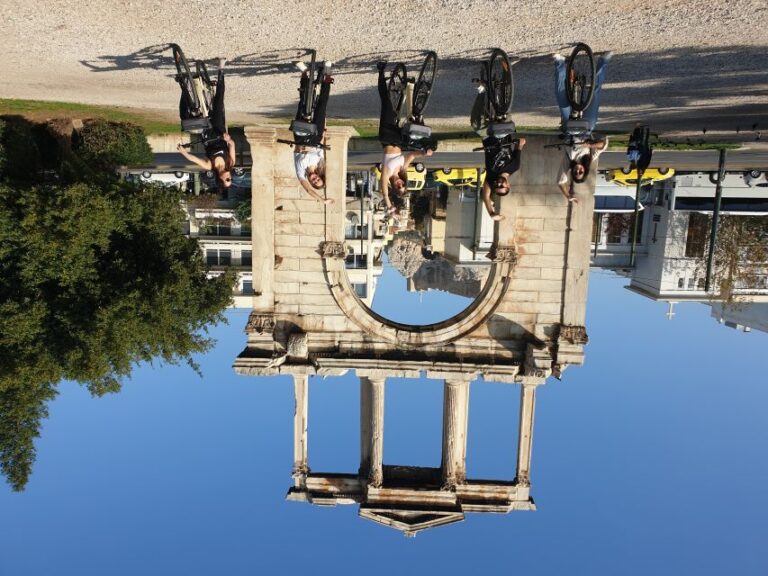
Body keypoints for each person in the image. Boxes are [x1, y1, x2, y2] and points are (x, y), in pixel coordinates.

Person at [552, 50, 612, 203]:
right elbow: (603, 144)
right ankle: (602, 62)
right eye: (581, 172)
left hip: (569, 127)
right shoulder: (590, 157)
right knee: (595, 95)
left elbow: (560, 182)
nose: (578, 170)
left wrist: (568, 196)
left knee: (562, 100)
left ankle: (560, 64)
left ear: (572, 171)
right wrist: (590, 144)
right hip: (586, 128)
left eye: (576, 172)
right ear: (584, 171)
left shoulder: (568, 163)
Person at [376, 61, 434, 213]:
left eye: (398, 187)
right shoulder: (402, 169)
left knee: (387, 104)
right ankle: (410, 88)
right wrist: (424, 153)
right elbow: (412, 156)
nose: (400, 184)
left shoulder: (387, 174)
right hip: (399, 140)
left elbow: (383, 187)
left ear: (394, 187)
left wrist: (388, 204)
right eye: (403, 185)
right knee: (415, 123)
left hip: (387, 137)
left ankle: (381, 72)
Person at [177, 58, 235, 188]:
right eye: (230, 179)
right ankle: (221, 68)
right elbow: (231, 145)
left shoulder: (210, 166)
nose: (229, 177)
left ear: (220, 179)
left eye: (227, 180)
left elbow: (194, 159)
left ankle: (184, 87)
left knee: (186, 118)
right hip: (219, 131)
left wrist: (183, 152)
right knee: (219, 103)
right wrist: (229, 139)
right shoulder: (230, 163)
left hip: (207, 135)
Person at [292, 60, 334, 204]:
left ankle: (304, 74)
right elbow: (322, 144)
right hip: (315, 139)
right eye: (318, 180)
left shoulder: (300, 173)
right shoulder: (319, 163)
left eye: (314, 182)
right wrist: (325, 126)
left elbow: (308, 190)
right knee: (322, 107)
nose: (315, 179)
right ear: (320, 176)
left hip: (300, 140)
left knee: (302, 105)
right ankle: (327, 77)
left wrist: (321, 200)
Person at [481, 136, 526, 221]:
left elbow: (486, 197)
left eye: (497, 186)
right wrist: (521, 142)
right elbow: (519, 146)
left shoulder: (491, 176)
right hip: (504, 134)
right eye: (501, 186)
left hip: (487, 137)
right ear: (508, 185)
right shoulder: (515, 166)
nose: (498, 184)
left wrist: (491, 213)